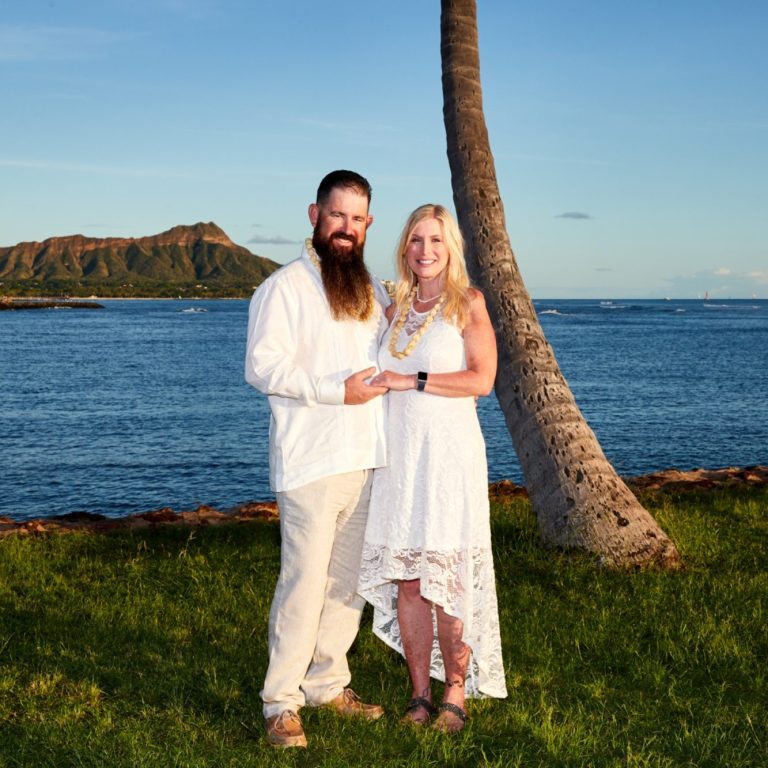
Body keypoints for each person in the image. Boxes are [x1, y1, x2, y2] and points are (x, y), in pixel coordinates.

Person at [245, 170, 391, 748]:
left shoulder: (374, 292)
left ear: (368, 225)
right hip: (310, 462)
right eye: (337, 216)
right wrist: (337, 390)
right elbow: (262, 368)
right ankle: (280, 702)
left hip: (368, 459)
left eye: (357, 220)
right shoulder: (284, 288)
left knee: (347, 584)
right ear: (314, 215)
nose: (346, 229)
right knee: (303, 584)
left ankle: (328, 684)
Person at [357, 203, 508, 733]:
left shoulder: (466, 302)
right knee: (409, 580)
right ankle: (419, 694)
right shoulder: (394, 305)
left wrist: (412, 380)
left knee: (448, 576)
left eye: (437, 241)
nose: (426, 250)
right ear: (405, 247)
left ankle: (456, 692)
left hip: (447, 457)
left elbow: (481, 380)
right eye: (417, 240)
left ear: (451, 249)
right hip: (398, 456)